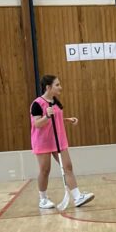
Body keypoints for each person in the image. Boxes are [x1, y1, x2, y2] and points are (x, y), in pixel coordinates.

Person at [30, 75, 94, 210]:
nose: (60, 87)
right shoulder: (37, 104)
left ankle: (77, 197)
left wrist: (67, 119)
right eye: (57, 85)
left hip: (58, 139)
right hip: (43, 141)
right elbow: (37, 124)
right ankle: (43, 199)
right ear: (48, 87)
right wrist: (46, 116)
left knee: (68, 166)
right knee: (45, 170)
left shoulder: (56, 102)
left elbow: (55, 118)